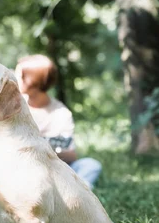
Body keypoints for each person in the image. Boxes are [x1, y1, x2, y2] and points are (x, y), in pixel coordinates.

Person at [15, 54, 102, 189]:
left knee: (91, 165)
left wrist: (40, 146)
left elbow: (70, 155)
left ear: (33, 81)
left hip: (53, 168)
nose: (14, 79)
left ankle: (79, 190)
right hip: (20, 166)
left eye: (19, 76)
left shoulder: (60, 113)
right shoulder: (15, 106)